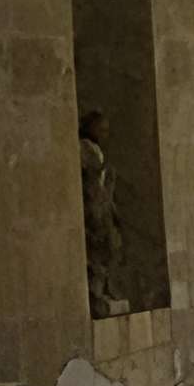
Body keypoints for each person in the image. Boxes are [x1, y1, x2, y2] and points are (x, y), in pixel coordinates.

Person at [78, 108, 123, 316]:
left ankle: (104, 288)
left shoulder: (95, 150)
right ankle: (96, 292)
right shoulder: (84, 149)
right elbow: (92, 182)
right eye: (101, 128)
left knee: (111, 247)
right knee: (99, 251)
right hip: (93, 211)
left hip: (101, 208)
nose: (105, 133)